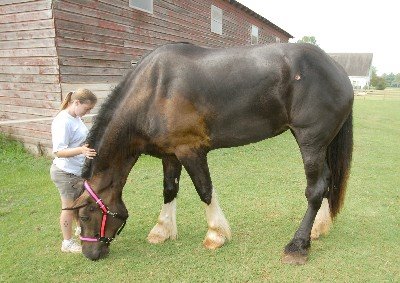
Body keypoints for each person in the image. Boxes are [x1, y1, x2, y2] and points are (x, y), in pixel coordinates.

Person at [50, 89, 97, 253]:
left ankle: (79, 230)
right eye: (87, 109)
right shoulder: (63, 121)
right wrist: (82, 151)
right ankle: (67, 243)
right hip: (65, 173)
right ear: (76, 103)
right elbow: (58, 151)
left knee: (80, 204)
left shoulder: (75, 117)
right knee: (68, 208)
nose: (88, 112)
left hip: (77, 171)